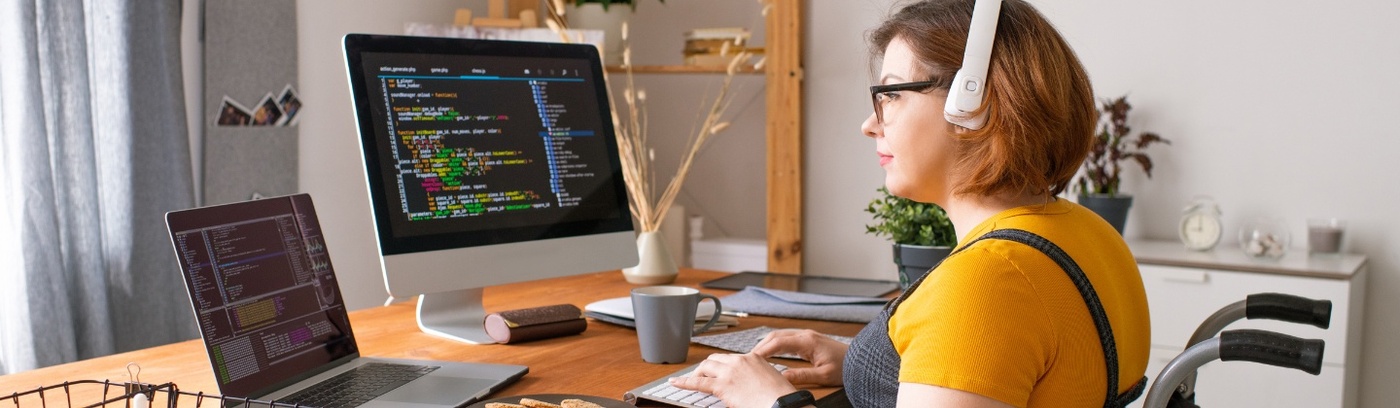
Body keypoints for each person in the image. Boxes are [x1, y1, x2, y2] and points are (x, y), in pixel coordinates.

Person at [667, 0, 1151, 407]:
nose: (870, 124)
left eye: (891, 94)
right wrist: (865, 362)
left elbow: (988, 322)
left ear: (974, 103)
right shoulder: (1087, 232)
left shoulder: (987, 283)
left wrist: (770, 401)